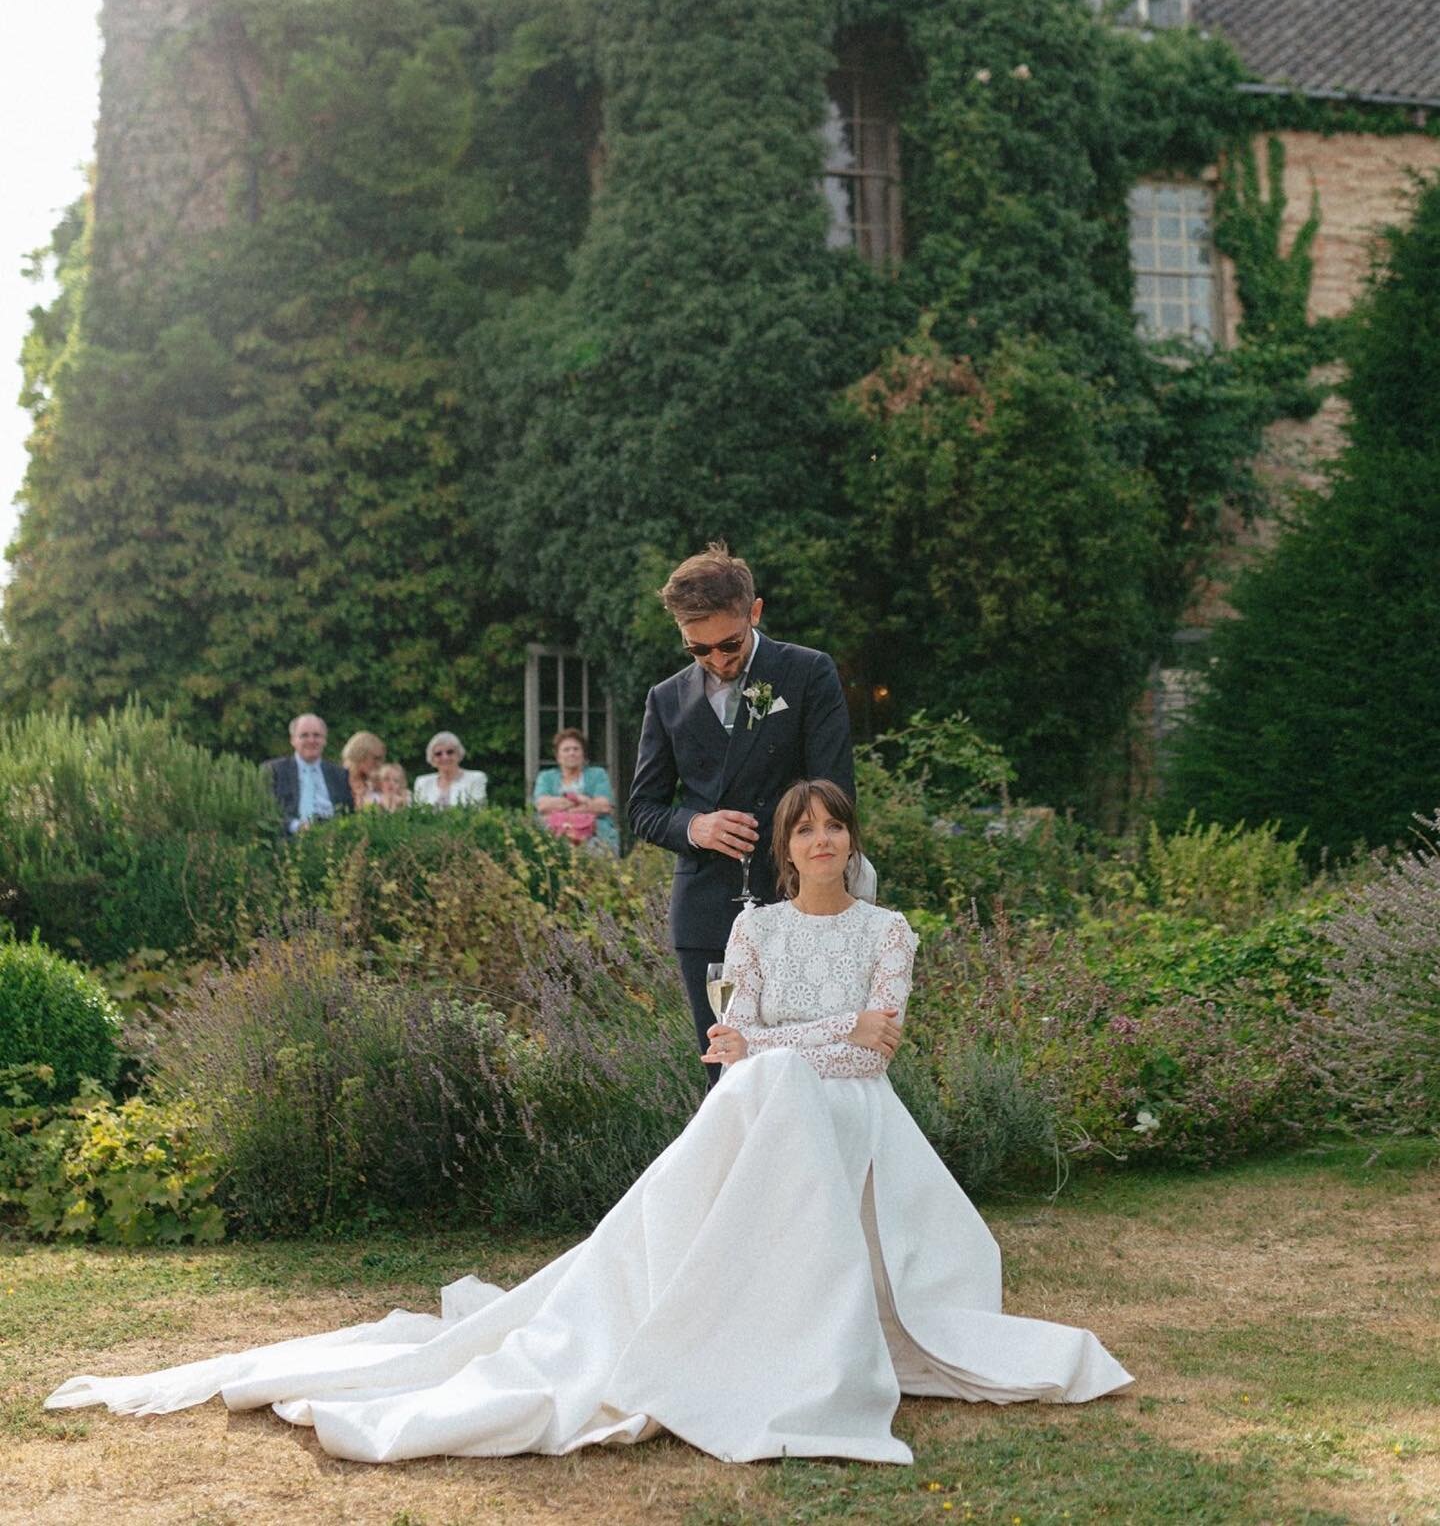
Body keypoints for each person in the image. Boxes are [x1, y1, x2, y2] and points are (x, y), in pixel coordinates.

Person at [45, 778, 1133, 1462]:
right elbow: (734, 1037)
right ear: (783, 847)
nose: (820, 843)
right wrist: (794, 1039)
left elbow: (877, 1044)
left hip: (860, 1114)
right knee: (764, 1092)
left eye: (834, 829)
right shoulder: (750, 931)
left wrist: (786, 1043)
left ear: (852, 842)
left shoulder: (890, 927)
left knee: (784, 1079)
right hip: (768, 1105)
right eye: (804, 830)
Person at [629, 542, 854, 1085]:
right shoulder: (666, 699)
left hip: (796, 900)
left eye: (728, 644)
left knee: (800, 1071)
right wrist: (694, 827)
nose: (717, 661)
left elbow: (834, 788)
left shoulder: (806, 673)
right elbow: (642, 808)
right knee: (728, 1082)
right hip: (706, 911)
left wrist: (796, 839)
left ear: (754, 613)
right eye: (697, 650)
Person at [261, 714, 352, 834]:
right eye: (304, 735)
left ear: (324, 740)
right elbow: (265, 811)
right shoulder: (274, 771)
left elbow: (348, 813)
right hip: (287, 840)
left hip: (332, 839)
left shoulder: (339, 774)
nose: (311, 740)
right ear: (292, 740)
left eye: (317, 735)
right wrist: (297, 827)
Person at [533, 727, 620, 852]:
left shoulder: (598, 774)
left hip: (595, 836)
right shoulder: (546, 777)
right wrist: (579, 800)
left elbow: (604, 806)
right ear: (558, 756)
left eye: (576, 749)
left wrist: (560, 808)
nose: (571, 753)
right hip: (555, 836)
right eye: (566, 750)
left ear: (583, 754)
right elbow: (542, 805)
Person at [413, 732, 488, 809]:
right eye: (438, 754)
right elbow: (418, 813)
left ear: (458, 754)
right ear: (432, 759)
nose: (445, 757)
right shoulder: (422, 782)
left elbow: (478, 809)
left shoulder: (476, 778)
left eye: (450, 752)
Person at [340, 731, 386, 811]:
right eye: (375, 759)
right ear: (360, 755)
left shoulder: (377, 784)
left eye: (380, 760)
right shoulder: (334, 781)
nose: (379, 764)